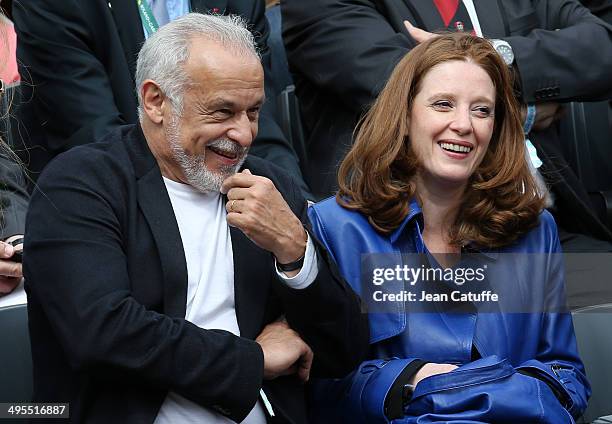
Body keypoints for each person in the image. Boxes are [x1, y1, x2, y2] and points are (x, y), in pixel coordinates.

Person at [23, 14, 368, 423]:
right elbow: (102, 333)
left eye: (254, 112)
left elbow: (345, 350)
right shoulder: (82, 184)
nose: (243, 134)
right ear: (156, 102)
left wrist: (295, 251)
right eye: (222, 111)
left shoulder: (268, 184)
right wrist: (252, 360)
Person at [307, 33, 589, 422]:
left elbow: (567, 377)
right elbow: (323, 390)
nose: (463, 125)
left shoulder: (534, 230)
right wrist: (412, 378)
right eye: (443, 105)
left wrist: (432, 388)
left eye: (482, 110)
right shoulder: (337, 227)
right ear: (404, 116)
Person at [282, 0, 612, 245]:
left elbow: (602, 47)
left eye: (482, 110)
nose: (468, 120)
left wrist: (499, 53)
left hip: (534, 223)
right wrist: (520, 111)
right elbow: (402, 81)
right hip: (397, 235)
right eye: (489, 111)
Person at [12, 0, 312, 198]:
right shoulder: (56, 4)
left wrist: (298, 206)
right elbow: (94, 136)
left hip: (221, 192)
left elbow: (257, 121)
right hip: (119, 205)